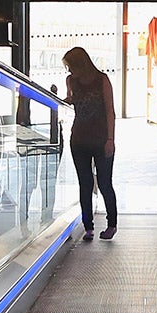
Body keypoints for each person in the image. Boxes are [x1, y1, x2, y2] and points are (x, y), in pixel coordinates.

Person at [60, 46, 118, 241]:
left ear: (80, 64)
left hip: (101, 139)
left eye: (71, 66)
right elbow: (70, 100)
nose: (69, 71)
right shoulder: (71, 81)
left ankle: (111, 224)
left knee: (104, 183)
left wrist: (110, 139)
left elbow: (110, 111)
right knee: (85, 183)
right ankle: (88, 227)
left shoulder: (102, 80)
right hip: (79, 139)